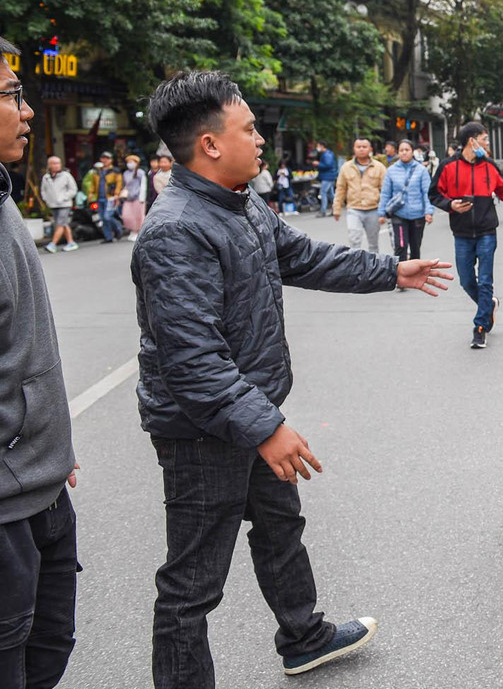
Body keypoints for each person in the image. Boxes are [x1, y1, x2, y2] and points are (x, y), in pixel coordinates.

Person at [131, 71, 452, 687]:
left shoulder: (241, 200)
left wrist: (391, 271)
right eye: (249, 129)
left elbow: (302, 256)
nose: (260, 140)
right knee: (192, 584)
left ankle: (304, 637)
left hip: (248, 412)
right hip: (201, 432)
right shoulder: (177, 230)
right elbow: (193, 360)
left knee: (280, 526)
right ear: (210, 144)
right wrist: (266, 427)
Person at [0, 52, 80, 689]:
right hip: (6, 509)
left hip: (42, 487)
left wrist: (49, 443)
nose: (27, 112)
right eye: (11, 96)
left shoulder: (3, 199)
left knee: (47, 652)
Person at [430, 122, 503, 349]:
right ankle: (489, 305)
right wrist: (450, 205)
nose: (487, 144)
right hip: (461, 233)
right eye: (485, 139)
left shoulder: (489, 166)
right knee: (467, 280)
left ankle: (480, 327)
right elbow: (434, 194)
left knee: (485, 280)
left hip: (487, 231)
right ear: (472, 141)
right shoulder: (447, 166)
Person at [377, 139, 432, 270]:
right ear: (398, 152)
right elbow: (385, 193)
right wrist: (381, 212)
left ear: (412, 152)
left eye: (407, 150)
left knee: (415, 246)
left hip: (418, 214)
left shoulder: (421, 170)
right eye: (401, 150)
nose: (404, 152)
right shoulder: (391, 170)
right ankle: (400, 273)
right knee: (400, 245)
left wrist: (428, 212)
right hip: (399, 214)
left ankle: (415, 272)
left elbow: (427, 192)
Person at [334, 137, 388, 255]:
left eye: (364, 147)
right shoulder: (346, 167)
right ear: (354, 149)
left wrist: (384, 211)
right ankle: (356, 264)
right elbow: (341, 188)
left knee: (373, 244)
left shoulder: (379, 167)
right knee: (354, 240)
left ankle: (374, 265)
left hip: (373, 209)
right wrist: (336, 208)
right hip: (354, 209)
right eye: (359, 147)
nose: (361, 149)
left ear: (370, 149)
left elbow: (385, 190)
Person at [40, 155, 79, 252]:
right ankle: (71, 242)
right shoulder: (46, 177)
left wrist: (64, 197)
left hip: (64, 204)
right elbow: (43, 190)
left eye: (58, 163)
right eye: (54, 163)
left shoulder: (66, 175)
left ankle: (53, 244)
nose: (56, 165)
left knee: (60, 224)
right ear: (49, 165)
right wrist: (46, 199)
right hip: (53, 204)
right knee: (63, 223)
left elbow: (73, 189)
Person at [84, 151, 123, 242]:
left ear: (111, 160)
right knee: (102, 217)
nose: (105, 160)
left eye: (107, 158)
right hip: (99, 197)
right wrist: (91, 193)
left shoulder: (115, 171)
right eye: (103, 158)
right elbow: (93, 184)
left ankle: (118, 228)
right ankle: (108, 237)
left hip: (110, 197)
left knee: (107, 216)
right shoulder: (97, 171)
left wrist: (117, 194)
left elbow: (119, 183)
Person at [120, 153, 148, 241]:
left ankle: (138, 232)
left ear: (136, 163)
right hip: (128, 198)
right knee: (126, 216)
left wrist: (142, 197)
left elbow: (143, 185)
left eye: (131, 162)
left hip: (138, 197)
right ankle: (132, 230)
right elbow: (124, 185)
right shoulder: (125, 173)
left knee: (138, 216)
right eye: (128, 162)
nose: (129, 164)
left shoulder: (140, 172)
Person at [314, 140, 338, 217]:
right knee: (330, 194)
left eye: (318, 146)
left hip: (327, 176)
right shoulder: (327, 154)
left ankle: (323, 211)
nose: (317, 148)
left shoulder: (327, 155)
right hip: (329, 176)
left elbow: (328, 165)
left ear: (322, 146)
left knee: (323, 192)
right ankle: (336, 209)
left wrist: (318, 164)